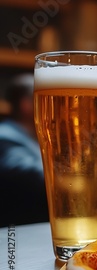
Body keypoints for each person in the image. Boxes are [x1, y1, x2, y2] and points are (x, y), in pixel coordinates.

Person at [0, 73, 49, 225]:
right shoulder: (5, 135)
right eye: (44, 99)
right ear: (26, 104)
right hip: (18, 230)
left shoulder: (31, 137)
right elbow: (29, 173)